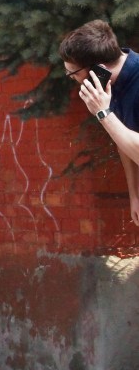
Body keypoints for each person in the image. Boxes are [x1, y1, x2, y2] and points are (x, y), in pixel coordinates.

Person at [59, 19, 139, 225]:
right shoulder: (112, 85)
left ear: (98, 70)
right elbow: (124, 141)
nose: (72, 79)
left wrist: (104, 114)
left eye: (73, 73)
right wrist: (135, 195)